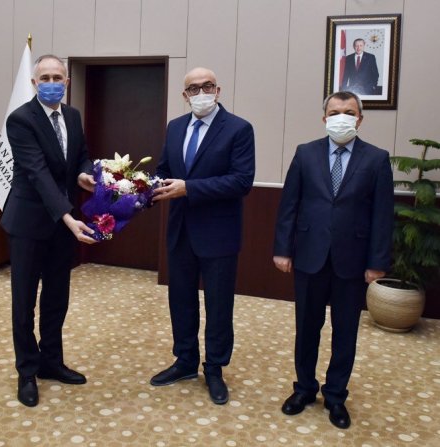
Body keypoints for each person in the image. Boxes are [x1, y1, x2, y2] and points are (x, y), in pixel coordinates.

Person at [273, 91, 394, 429]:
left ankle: (336, 395)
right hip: (309, 255)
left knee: (345, 331)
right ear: (324, 118)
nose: (342, 117)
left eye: (349, 112)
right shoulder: (305, 153)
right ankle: (304, 389)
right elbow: (289, 205)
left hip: (352, 260)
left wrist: (377, 261)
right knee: (306, 328)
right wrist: (282, 249)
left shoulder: (376, 159)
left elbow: (382, 214)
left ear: (360, 119)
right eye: (335, 111)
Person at [151, 67, 255, 405]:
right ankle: (185, 361)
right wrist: (139, 188)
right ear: (184, 96)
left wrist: (189, 188)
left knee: (218, 305)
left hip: (218, 233)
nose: (201, 93)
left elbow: (241, 181)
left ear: (218, 90)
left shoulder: (238, 129)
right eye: (193, 89)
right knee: (180, 299)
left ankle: (214, 368)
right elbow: (165, 170)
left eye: (207, 86)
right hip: (180, 230)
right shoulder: (175, 127)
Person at [0, 54, 97, 407]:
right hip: (29, 223)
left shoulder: (72, 116)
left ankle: (51, 361)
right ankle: (27, 371)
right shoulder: (20, 119)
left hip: (61, 226)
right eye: (45, 77)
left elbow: (81, 155)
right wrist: (69, 217)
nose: (52, 83)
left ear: (67, 82)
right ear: (34, 83)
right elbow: (37, 173)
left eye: (58, 77)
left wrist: (85, 173)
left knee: (57, 296)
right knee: (24, 301)